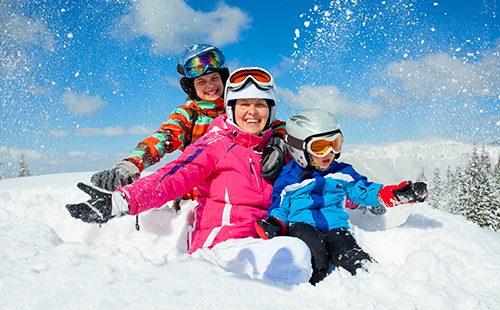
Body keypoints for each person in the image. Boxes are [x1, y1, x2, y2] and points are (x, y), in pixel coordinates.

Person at [66, 67, 312, 285]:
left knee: (303, 253)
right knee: (293, 256)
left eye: (260, 105)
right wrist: (123, 197)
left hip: (264, 235)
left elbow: (312, 172)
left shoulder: (276, 145)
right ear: (231, 107)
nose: (252, 112)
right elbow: (174, 174)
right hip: (224, 241)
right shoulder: (212, 140)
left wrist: (280, 140)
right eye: (244, 104)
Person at [255, 109, 429, 285]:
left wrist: (395, 194)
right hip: (302, 225)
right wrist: (276, 223)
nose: (329, 153)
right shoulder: (288, 178)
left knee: (350, 252)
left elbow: (363, 191)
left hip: (335, 226)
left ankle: (372, 282)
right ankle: (312, 291)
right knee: (315, 254)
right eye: (319, 147)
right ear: (299, 148)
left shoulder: (341, 172)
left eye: (335, 144)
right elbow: (280, 205)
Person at [90, 44, 286, 198]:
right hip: (198, 199)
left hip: (242, 192)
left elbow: (275, 124)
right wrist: (132, 165)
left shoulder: (238, 108)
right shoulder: (189, 114)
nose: (210, 86)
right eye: (201, 82)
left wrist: (278, 141)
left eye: (214, 78)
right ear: (191, 87)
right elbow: (163, 137)